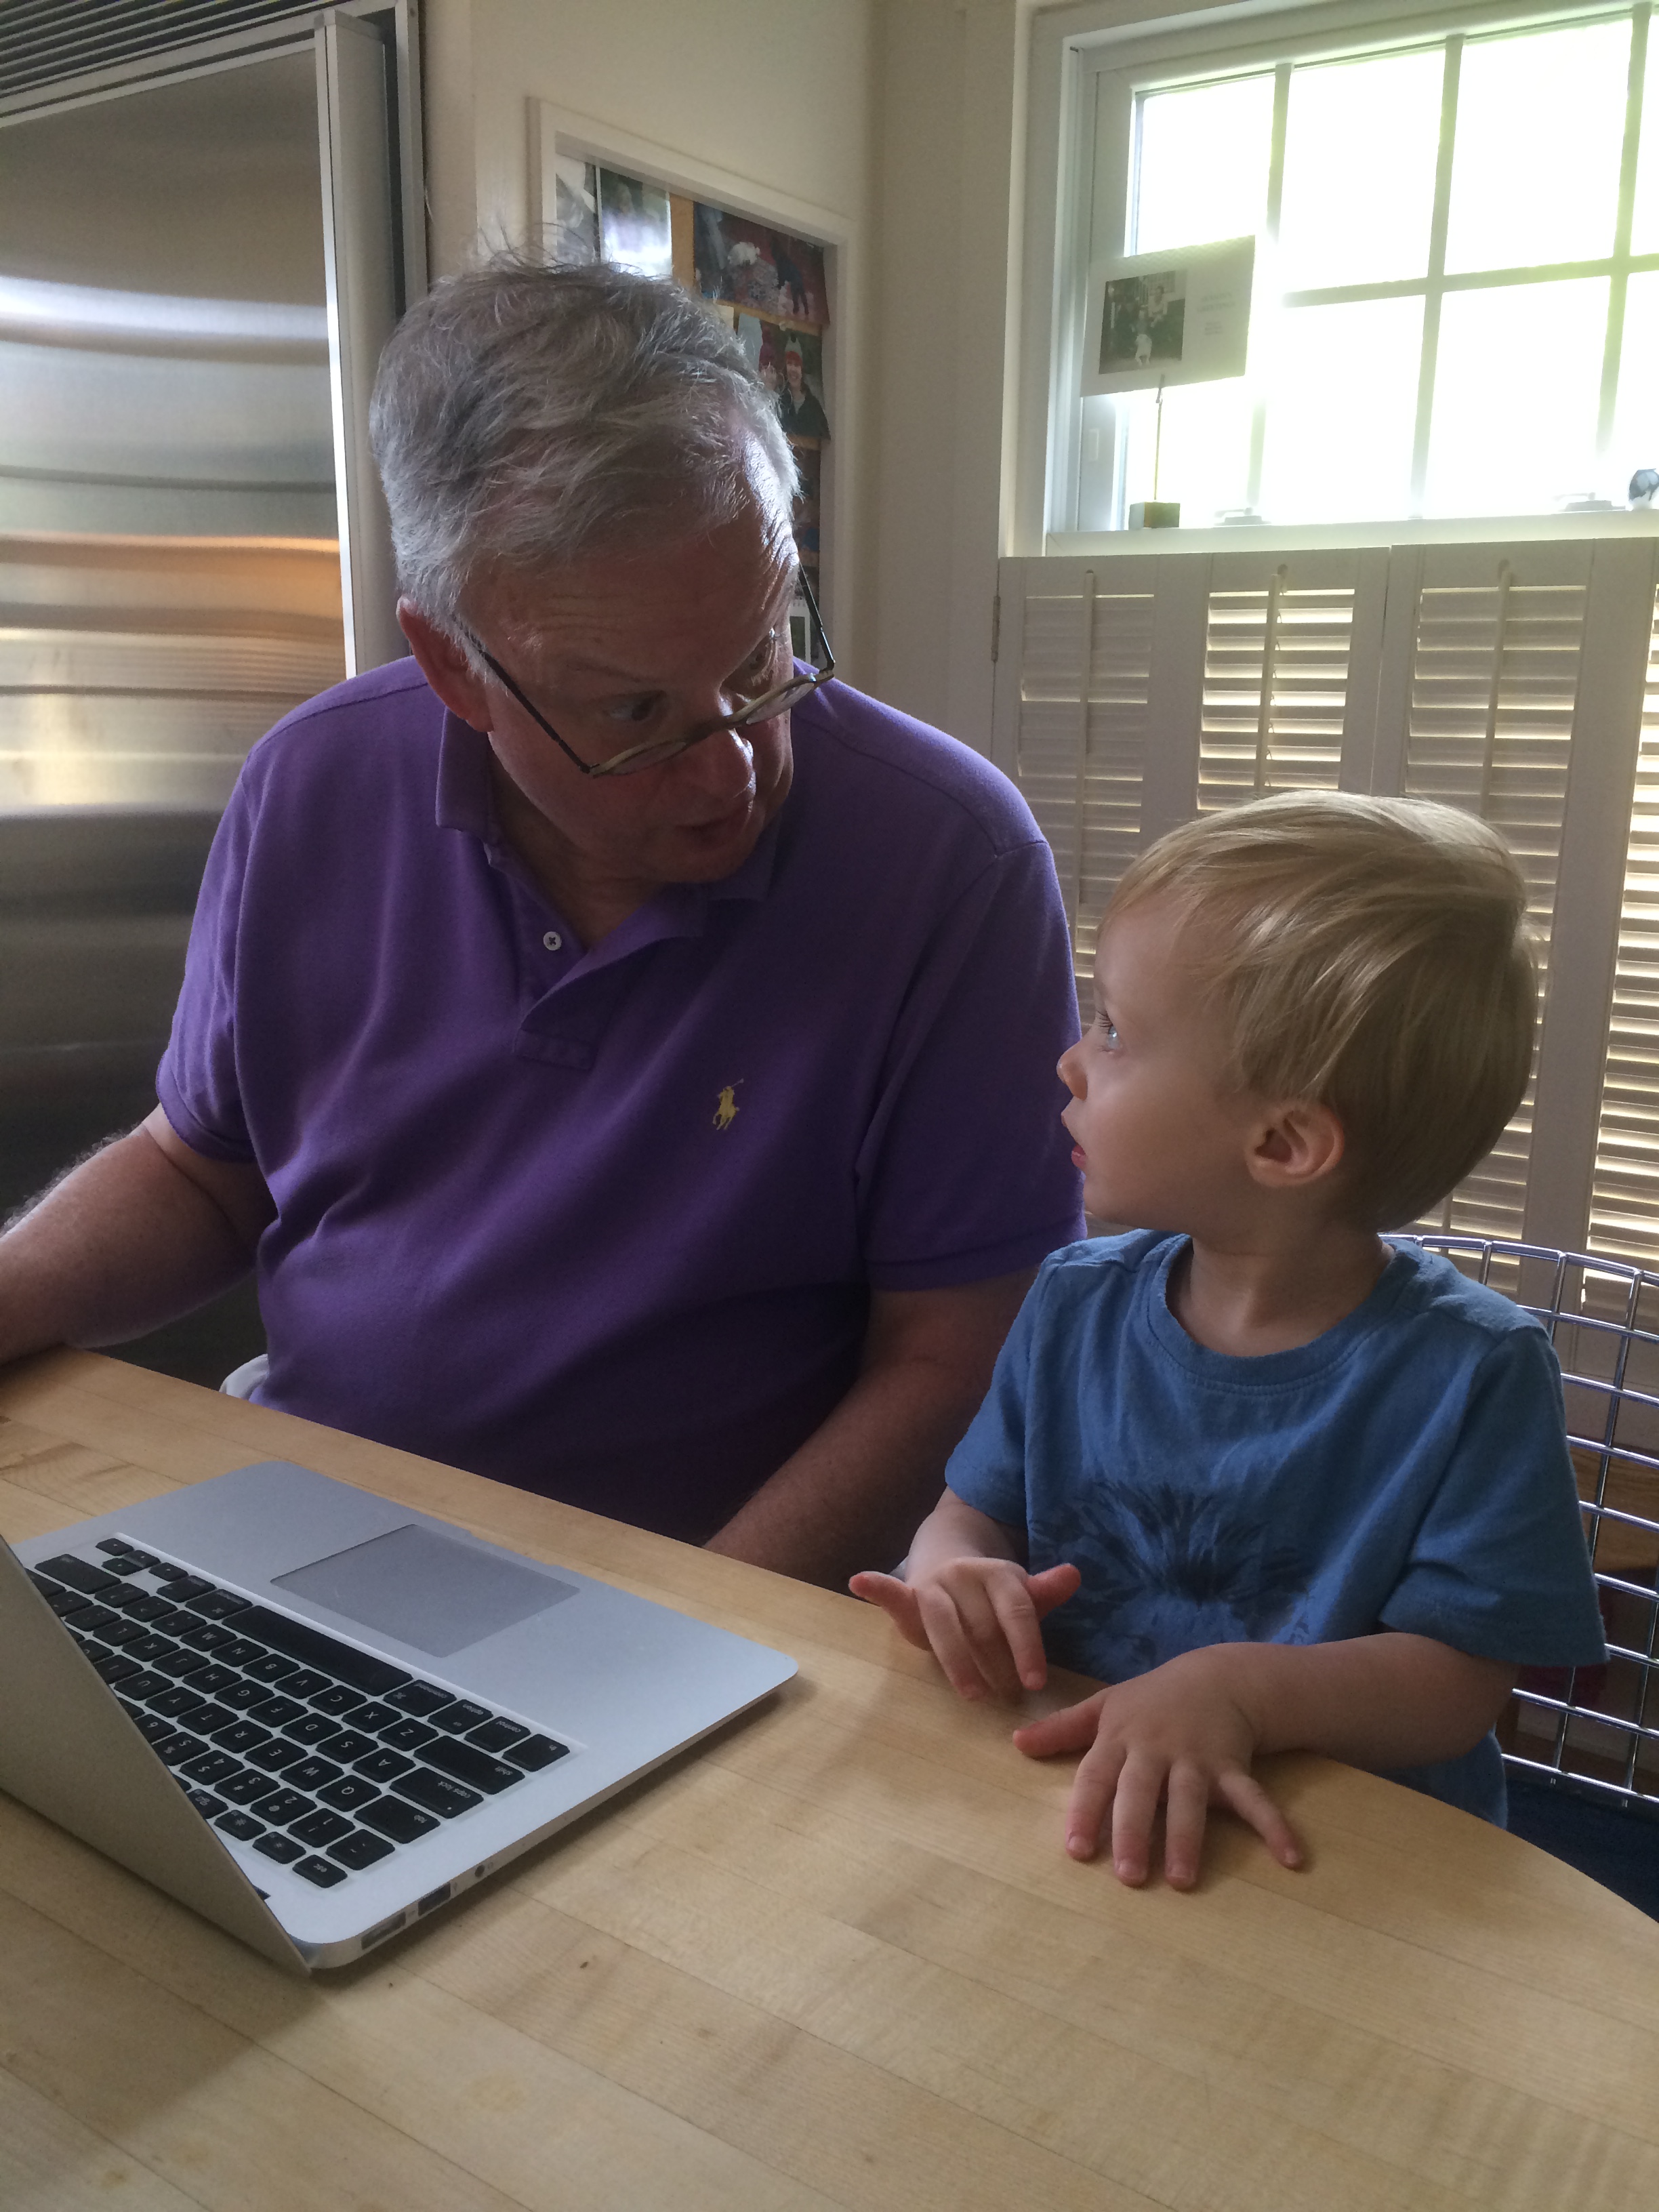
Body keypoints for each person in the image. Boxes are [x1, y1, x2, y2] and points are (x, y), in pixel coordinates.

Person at [0, 257, 1084, 1588]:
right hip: (303, 1524)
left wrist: (693, 1636)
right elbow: (203, 1171)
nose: (733, 768)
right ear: (453, 666)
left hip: (698, 1586)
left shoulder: (952, 862)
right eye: (634, 712)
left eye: (759, 654)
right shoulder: (311, 782)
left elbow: (958, 1356)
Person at [852, 793, 1607, 1883]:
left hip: (1321, 1863)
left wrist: (1243, 1692)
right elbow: (974, 1510)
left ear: (1283, 1144)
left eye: (1116, 1032)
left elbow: (1460, 1681)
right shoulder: (1072, 1302)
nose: (1071, 1061)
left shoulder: (1474, 1371)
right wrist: (955, 1570)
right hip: (1065, 1811)